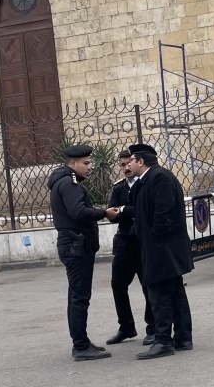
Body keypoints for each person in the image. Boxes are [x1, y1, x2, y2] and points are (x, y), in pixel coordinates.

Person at [48, 143, 119, 361]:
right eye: (86, 163)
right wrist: (104, 213)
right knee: (80, 296)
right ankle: (79, 346)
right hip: (76, 245)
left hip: (74, 243)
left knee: (76, 295)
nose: (90, 167)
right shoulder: (69, 184)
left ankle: (81, 340)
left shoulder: (66, 181)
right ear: (73, 163)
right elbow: (78, 212)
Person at [125, 143, 194, 359]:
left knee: (159, 293)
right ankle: (183, 338)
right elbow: (142, 208)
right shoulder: (147, 180)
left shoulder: (159, 177)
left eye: (131, 160)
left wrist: (154, 239)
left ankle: (164, 340)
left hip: (162, 248)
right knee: (174, 292)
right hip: (161, 246)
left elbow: (164, 212)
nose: (128, 164)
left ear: (141, 162)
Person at [106, 149, 154, 344]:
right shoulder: (119, 188)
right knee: (117, 284)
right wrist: (127, 213)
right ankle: (126, 327)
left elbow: (145, 210)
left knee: (148, 284)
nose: (126, 168)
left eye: (128, 164)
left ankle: (153, 327)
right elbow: (111, 215)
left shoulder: (145, 183)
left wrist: (125, 210)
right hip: (125, 241)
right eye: (122, 165)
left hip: (142, 241)